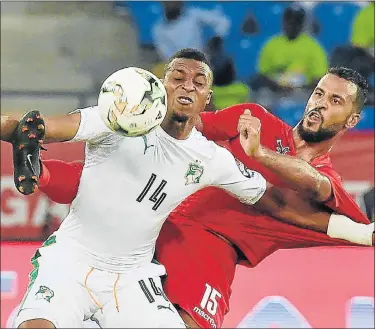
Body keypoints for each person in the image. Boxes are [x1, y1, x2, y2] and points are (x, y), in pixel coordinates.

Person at [8, 65, 374, 328]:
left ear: (351, 119)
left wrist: (261, 155)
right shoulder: (255, 118)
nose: (320, 104)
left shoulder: (323, 179)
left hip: (210, 249)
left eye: (335, 101)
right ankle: (39, 166)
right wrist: (145, 108)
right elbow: (193, 122)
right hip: (163, 215)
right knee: (116, 169)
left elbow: (311, 186)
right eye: (319, 93)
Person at [250, 4, 328, 92]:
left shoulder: (314, 47)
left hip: (303, 92)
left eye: (296, 22)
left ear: (302, 24)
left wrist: (300, 88)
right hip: (274, 90)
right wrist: (276, 87)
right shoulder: (271, 44)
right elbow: (262, 74)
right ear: (284, 22)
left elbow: (319, 78)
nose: (292, 25)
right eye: (289, 21)